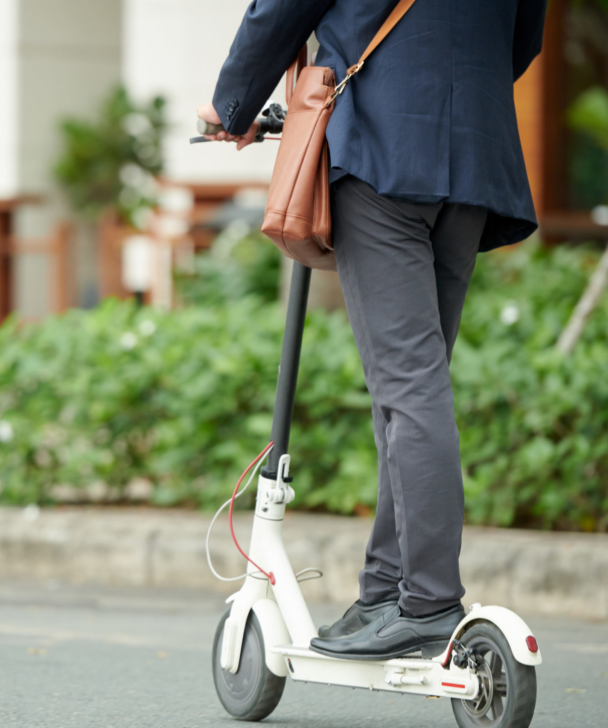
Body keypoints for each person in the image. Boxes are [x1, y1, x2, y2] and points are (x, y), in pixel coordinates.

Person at [198, 0, 548, 660]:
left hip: (381, 149)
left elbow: (281, 8)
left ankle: (429, 602)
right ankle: (387, 588)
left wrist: (232, 104)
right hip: (473, 155)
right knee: (418, 384)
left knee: (408, 389)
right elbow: (522, 38)